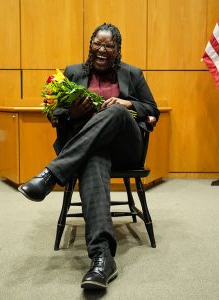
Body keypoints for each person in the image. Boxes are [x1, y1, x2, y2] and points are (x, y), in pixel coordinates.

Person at [18, 23, 160, 290]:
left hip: (125, 149)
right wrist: (72, 113)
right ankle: (102, 258)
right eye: (97, 43)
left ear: (117, 50)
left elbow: (153, 108)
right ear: (90, 45)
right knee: (94, 159)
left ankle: (51, 174)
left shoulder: (132, 73)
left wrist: (127, 103)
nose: (102, 50)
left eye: (109, 45)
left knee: (115, 112)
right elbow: (53, 113)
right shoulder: (73, 73)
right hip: (89, 152)